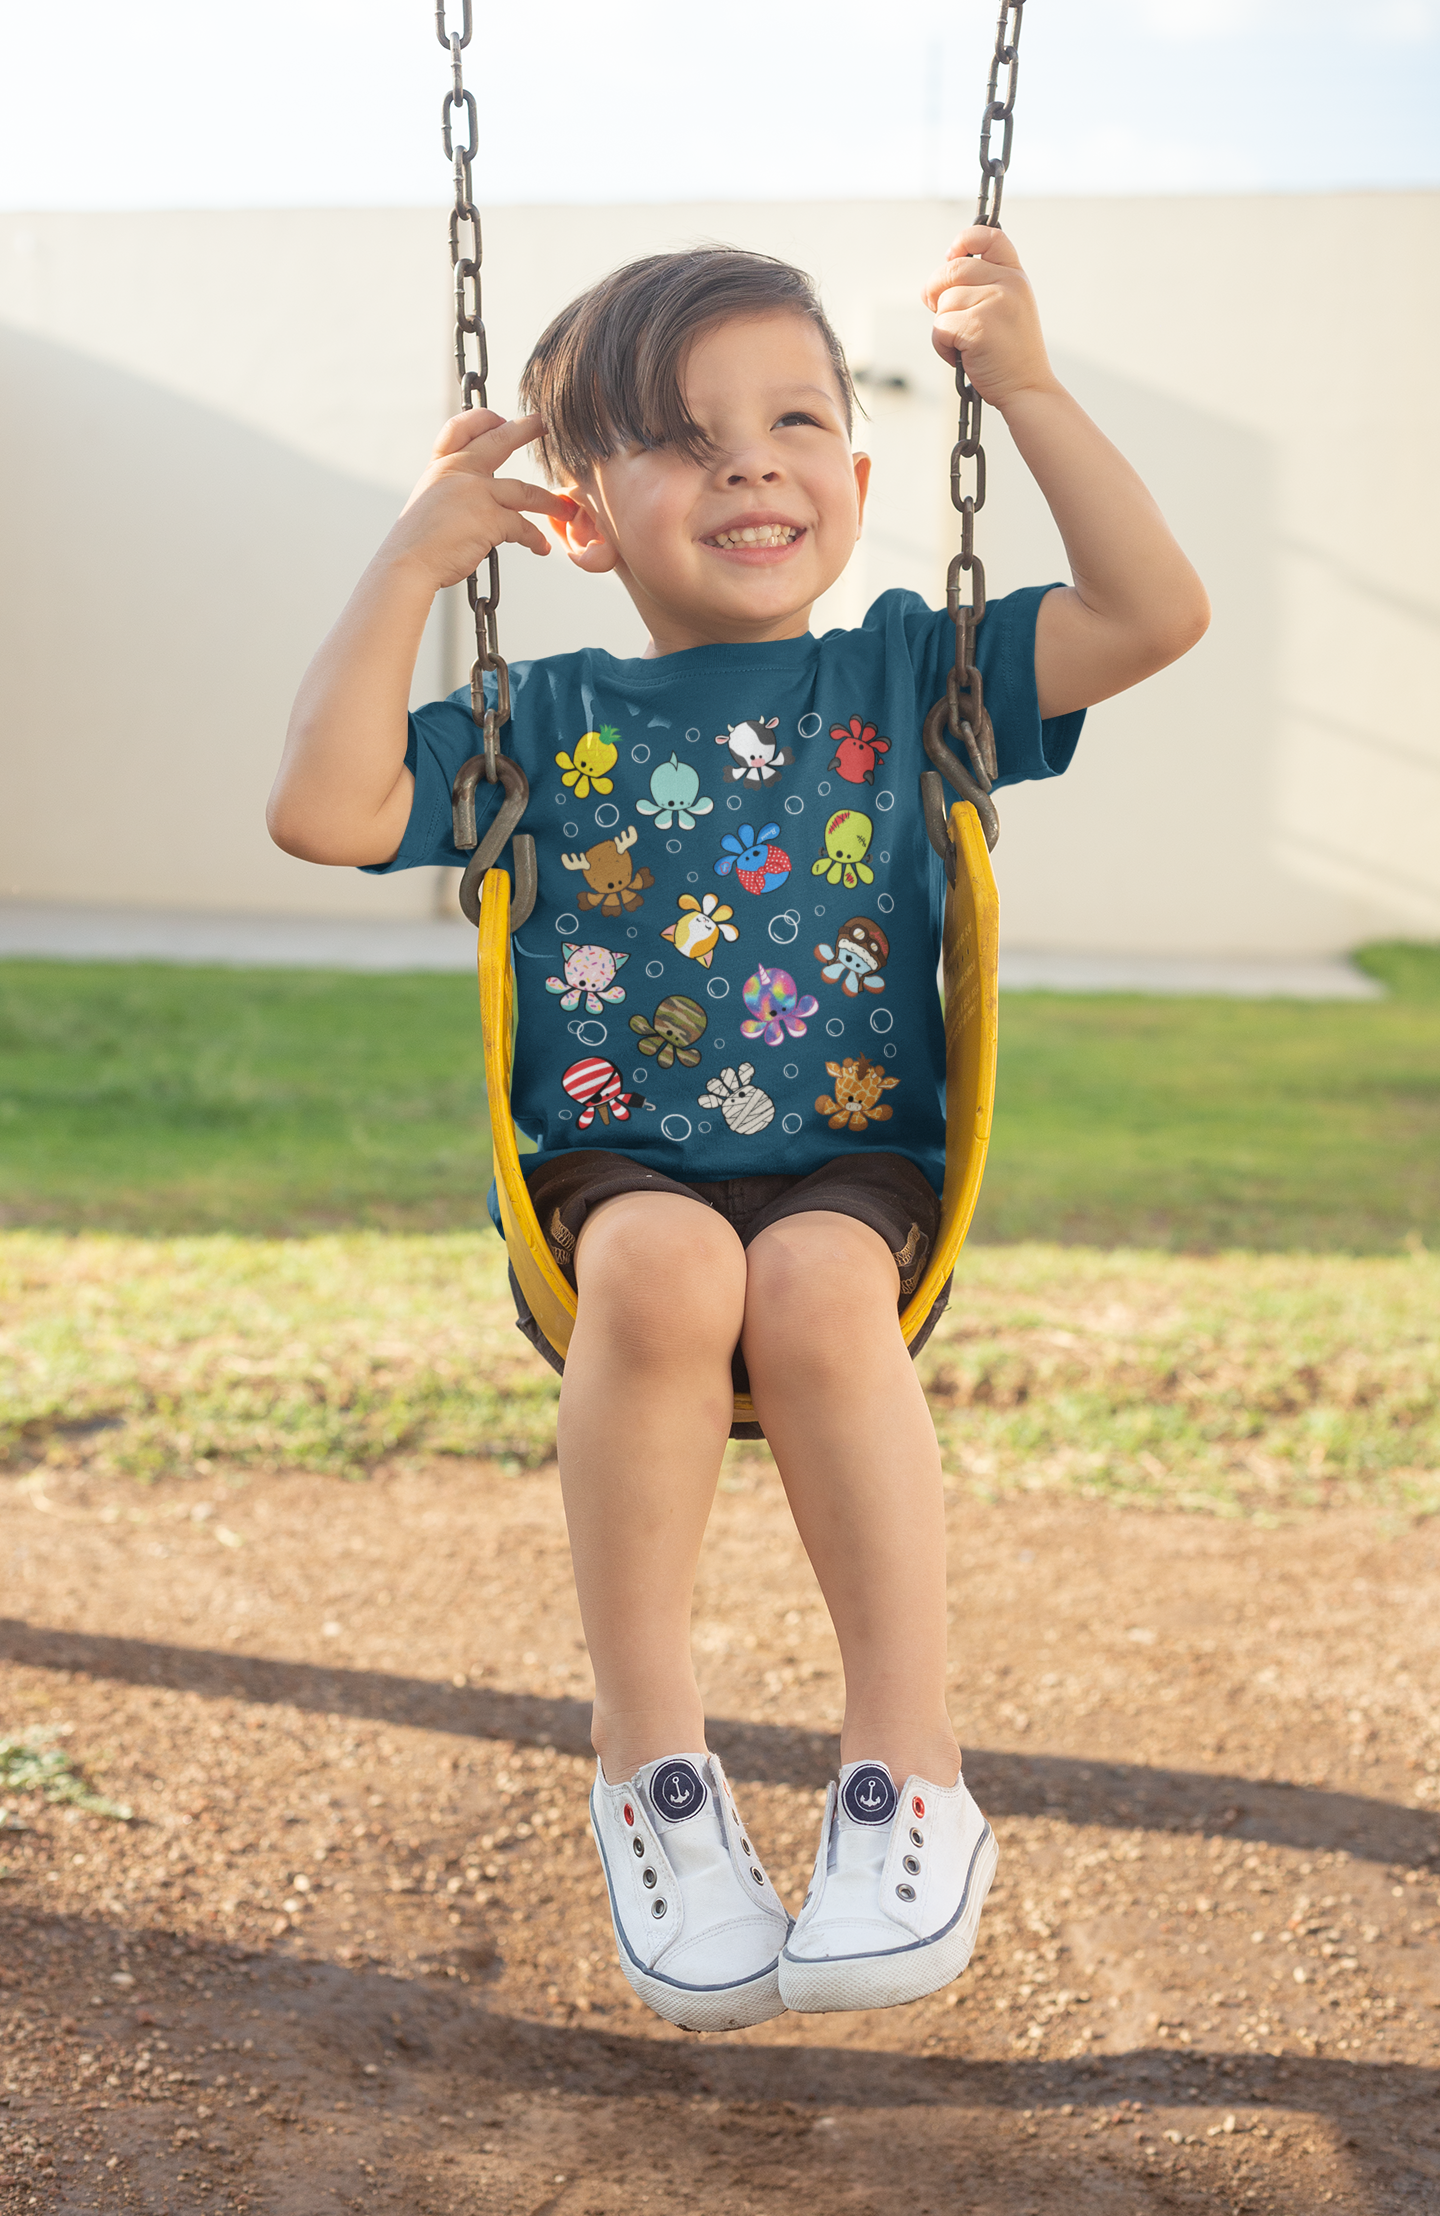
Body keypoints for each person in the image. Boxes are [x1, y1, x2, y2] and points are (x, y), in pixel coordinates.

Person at [268, 227, 1209, 2033]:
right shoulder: (540, 717)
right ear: (579, 520)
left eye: (789, 424)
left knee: (820, 1292)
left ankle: (908, 1773)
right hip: (614, 1165)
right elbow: (323, 809)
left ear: (854, 472)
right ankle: (652, 1769)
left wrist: (1022, 386)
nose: (750, 466)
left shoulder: (908, 680)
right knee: (666, 1267)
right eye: (685, 441)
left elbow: (1155, 613)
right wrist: (408, 558)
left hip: (854, 1160)